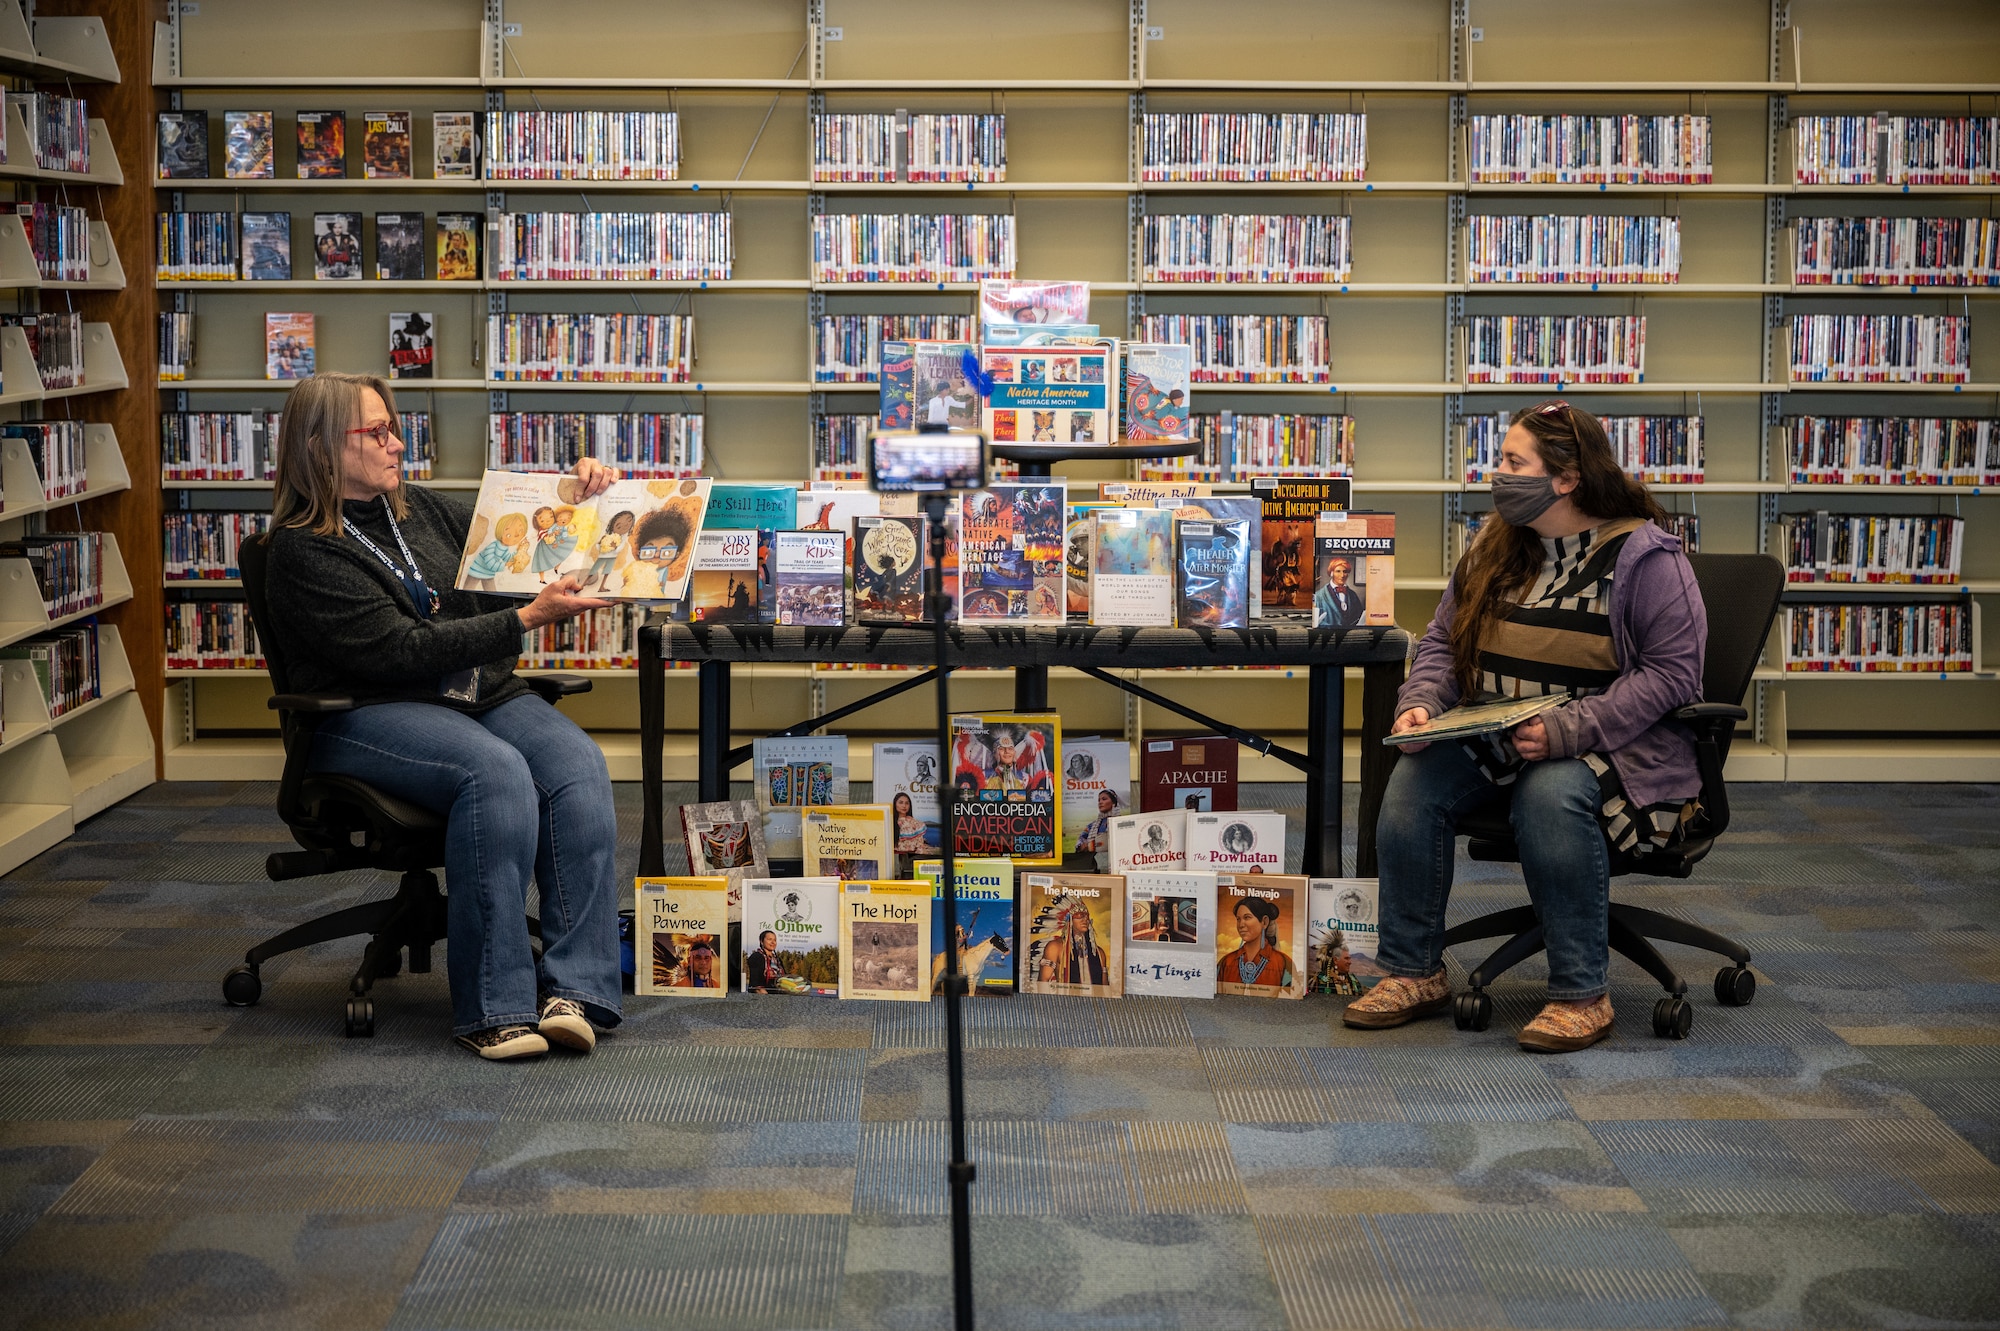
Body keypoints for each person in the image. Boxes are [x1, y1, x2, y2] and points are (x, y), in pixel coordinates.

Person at [259, 373, 623, 1061]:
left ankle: (576, 989)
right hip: (367, 712)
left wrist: (580, 494)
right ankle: (496, 1005)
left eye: (395, 426)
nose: (397, 443)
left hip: (471, 696)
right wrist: (524, 620)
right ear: (319, 448)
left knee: (576, 766)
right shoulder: (302, 551)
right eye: (377, 432)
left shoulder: (418, 510)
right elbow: (402, 651)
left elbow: (519, 546)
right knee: (495, 773)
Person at [1345, 400, 1705, 1053]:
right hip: (1497, 736)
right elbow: (1440, 644)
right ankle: (1412, 970)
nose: (1499, 474)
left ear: (1566, 478)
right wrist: (1422, 702)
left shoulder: (1644, 557)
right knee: (1413, 780)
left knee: (1550, 790)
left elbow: (1674, 677)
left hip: (1608, 749)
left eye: (1515, 462)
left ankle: (1580, 993)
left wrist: (1567, 730)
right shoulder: (1494, 545)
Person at [1219, 897, 1294, 988]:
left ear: (1264, 922)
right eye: (1238, 919)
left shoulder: (1283, 963)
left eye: (1247, 917)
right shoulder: (1226, 962)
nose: (1241, 925)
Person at [1037, 905, 1110, 988]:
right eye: (1079, 915)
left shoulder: (1099, 953)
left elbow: (1104, 988)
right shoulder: (1055, 947)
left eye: (1087, 916)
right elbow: (1043, 982)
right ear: (1070, 921)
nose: (1085, 919)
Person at [1314, 557, 1364, 627]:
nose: (1342, 575)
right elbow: (1317, 622)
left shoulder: (1353, 595)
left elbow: (1360, 617)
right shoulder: (1318, 596)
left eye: (1345, 571)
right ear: (1331, 573)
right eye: (1338, 571)